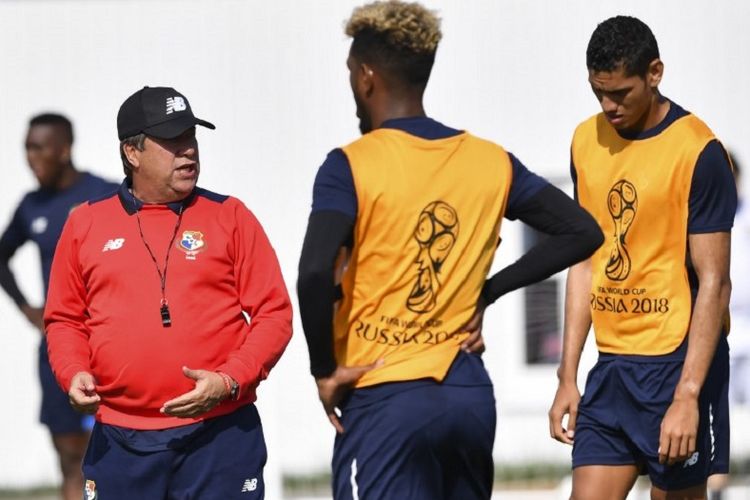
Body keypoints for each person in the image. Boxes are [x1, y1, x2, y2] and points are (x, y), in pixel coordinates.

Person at [297, 2, 603, 499]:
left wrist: (324, 371)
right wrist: (489, 291)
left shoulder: (349, 165)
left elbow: (313, 274)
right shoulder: (489, 160)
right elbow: (582, 231)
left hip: (384, 395)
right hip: (467, 396)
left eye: (352, 71)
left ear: (367, 77)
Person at [44, 86, 292, 499]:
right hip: (121, 442)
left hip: (221, 434)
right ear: (132, 152)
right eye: (172, 141)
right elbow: (65, 319)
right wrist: (72, 372)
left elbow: (274, 313)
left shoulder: (230, 216)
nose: (188, 151)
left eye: (190, 138)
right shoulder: (85, 224)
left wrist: (230, 380)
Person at [548, 16, 735, 500]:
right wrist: (568, 375)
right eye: (598, 93)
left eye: (621, 94)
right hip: (611, 368)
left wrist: (688, 397)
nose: (608, 107)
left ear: (655, 73)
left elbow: (715, 282)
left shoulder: (699, 151)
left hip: (676, 366)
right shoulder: (584, 141)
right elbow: (586, 261)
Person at [0, 113, 117, 500]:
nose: (31, 157)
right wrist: (28, 309)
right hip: (60, 350)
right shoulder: (32, 206)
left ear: (64, 150)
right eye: (26, 148)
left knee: (123, 454)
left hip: (110, 347)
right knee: (71, 458)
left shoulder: (106, 194)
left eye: (39, 148)